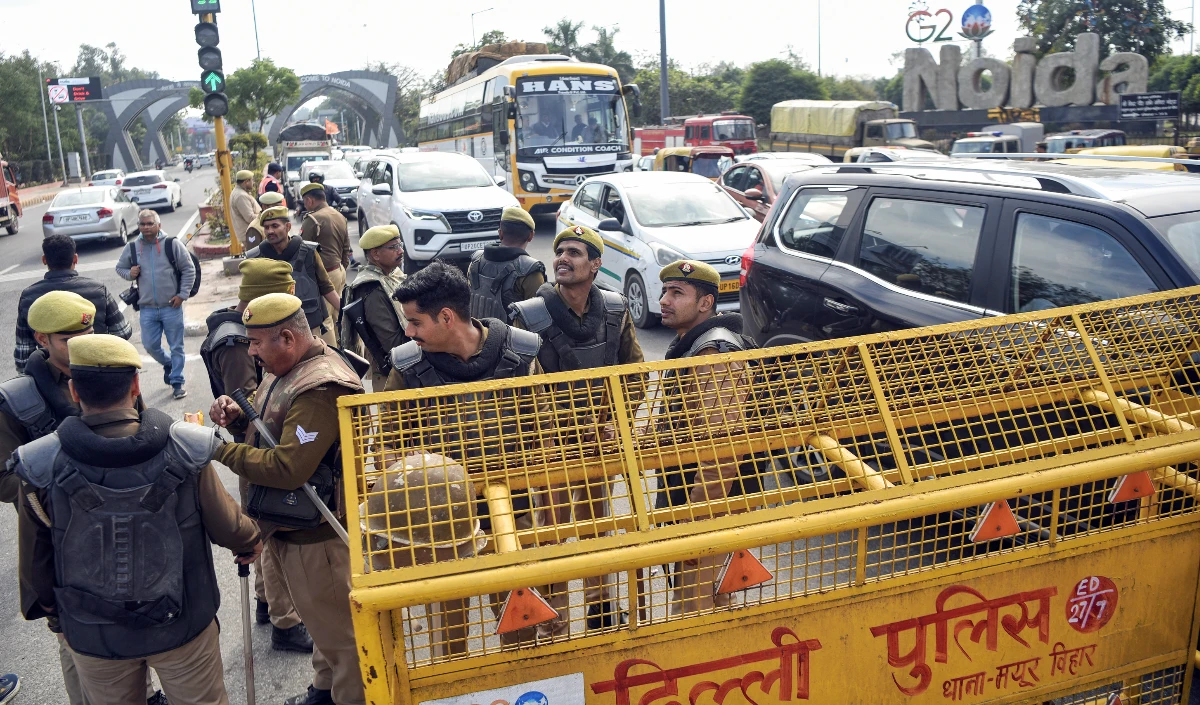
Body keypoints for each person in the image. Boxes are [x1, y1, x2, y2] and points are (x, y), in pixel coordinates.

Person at [12, 334, 262, 705]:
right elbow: (227, 525)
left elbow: (36, 562)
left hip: (94, 635)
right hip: (183, 623)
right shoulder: (183, 447)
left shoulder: (39, 464)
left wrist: (55, 618)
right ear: (135, 384)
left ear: (74, 392)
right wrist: (250, 541)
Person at [0, 292, 166, 705]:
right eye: (66, 337)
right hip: (66, 535)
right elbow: (4, 479)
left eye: (88, 329)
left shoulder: (109, 367)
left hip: (132, 519)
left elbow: (141, 432)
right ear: (41, 339)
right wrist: (56, 488)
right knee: (81, 645)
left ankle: (142, 693)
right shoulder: (18, 401)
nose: (81, 341)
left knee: (139, 616)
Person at [209, 293, 365, 705]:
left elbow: (289, 467)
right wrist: (239, 415)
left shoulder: (322, 386)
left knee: (343, 639)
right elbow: (275, 421)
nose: (252, 352)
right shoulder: (289, 367)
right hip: (290, 525)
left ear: (287, 337)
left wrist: (217, 449)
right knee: (322, 627)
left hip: (319, 540)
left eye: (257, 343)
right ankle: (324, 691)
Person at [382, 262, 543, 647]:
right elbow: (385, 447)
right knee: (448, 640)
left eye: (416, 322)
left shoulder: (520, 354)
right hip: (443, 530)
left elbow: (546, 436)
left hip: (512, 517)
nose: (408, 331)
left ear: (447, 317)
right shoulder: (408, 367)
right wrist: (412, 474)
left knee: (521, 628)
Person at [508, 224, 643, 633]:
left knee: (597, 525)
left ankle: (600, 606)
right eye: (560, 251)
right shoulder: (527, 314)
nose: (563, 258)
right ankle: (554, 614)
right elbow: (521, 386)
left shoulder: (617, 310)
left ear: (596, 264)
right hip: (552, 445)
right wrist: (547, 434)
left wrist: (616, 421)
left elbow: (634, 373)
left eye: (575, 253)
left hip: (599, 442)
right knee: (551, 529)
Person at [198, 260, 313, 654]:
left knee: (265, 536)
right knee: (272, 536)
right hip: (258, 452)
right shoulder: (238, 341)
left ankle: (267, 604)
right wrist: (233, 423)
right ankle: (285, 621)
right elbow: (248, 399)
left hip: (258, 448)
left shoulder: (247, 331)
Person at [653, 260, 755, 616]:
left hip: (708, 507)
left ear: (705, 304)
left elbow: (721, 448)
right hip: (701, 501)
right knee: (715, 597)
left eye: (677, 293)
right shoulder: (693, 344)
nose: (664, 300)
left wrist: (695, 520)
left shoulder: (713, 353)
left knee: (693, 608)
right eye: (665, 291)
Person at [15, 234, 132, 373]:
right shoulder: (97, 289)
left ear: (44, 260)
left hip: (53, 379)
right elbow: (122, 332)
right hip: (96, 371)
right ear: (75, 258)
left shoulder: (28, 296)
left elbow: (23, 354)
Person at [115, 209, 194, 400]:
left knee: (177, 346)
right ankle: (168, 364)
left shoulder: (171, 244)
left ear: (159, 225)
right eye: (142, 224)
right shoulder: (133, 247)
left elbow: (188, 269)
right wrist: (130, 274)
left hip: (171, 306)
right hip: (147, 308)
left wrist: (182, 295)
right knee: (150, 345)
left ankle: (177, 382)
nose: (146, 227)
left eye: (150, 223)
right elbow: (120, 268)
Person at [246, 206, 340, 346]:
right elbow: (248, 297)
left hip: (312, 327)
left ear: (288, 226)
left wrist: (346, 311)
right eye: (266, 227)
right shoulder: (256, 259)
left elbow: (326, 287)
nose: (270, 231)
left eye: (275, 226)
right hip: (274, 334)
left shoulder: (309, 251)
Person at [341, 225, 408, 391]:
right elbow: (392, 344)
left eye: (400, 245)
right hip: (392, 376)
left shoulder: (391, 275)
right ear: (375, 254)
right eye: (393, 248)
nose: (400, 251)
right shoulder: (372, 289)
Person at [466, 206, 545, 321]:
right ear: (531, 236)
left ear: (500, 233)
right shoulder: (530, 271)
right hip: (512, 339)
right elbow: (538, 318)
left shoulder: (475, 262)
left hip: (473, 336)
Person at [299, 182, 351, 326]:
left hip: (324, 276)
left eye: (305, 202)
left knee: (325, 321)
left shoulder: (312, 220)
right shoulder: (339, 215)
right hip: (339, 271)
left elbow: (302, 253)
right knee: (339, 319)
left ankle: (330, 349)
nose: (305, 205)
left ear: (310, 200)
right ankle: (342, 347)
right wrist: (341, 268)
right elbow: (346, 248)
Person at [230, 169, 262, 249]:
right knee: (256, 259)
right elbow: (250, 217)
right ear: (246, 182)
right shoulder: (241, 196)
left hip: (252, 233)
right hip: (251, 234)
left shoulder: (239, 192)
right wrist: (265, 216)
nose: (253, 183)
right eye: (252, 180)